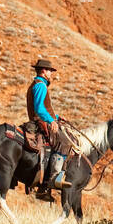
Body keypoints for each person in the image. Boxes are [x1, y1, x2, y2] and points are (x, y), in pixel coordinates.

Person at [27, 58, 70, 189]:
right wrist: (51, 121)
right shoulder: (41, 85)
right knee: (64, 141)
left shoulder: (36, 84)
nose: (51, 73)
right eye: (50, 71)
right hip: (40, 122)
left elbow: (43, 108)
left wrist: (56, 117)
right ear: (44, 71)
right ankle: (54, 177)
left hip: (39, 120)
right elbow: (39, 108)